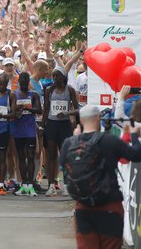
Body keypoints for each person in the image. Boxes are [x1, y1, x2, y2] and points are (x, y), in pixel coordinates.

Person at [60, 105, 141, 249]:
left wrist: (75, 137)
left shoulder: (69, 143)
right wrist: (134, 134)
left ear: (81, 121)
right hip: (110, 207)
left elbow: (64, 168)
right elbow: (136, 154)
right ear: (98, 118)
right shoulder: (110, 141)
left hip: (83, 208)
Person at [42, 65, 79, 196]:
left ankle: (66, 185)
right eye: (54, 76)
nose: (55, 78)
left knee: (65, 156)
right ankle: (51, 185)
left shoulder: (70, 90)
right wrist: (42, 125)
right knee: (51, 155)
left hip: (65, 125)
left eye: (58, 75)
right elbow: (46, 110)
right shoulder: (49, 90)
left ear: (64, 77)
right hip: (52, 124)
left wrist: (67, 113)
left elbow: (77, 108)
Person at [10, 72, 41, 196]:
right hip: (18, 129)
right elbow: (11, 112)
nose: (23, 84)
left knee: (31, 156)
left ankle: (30, 184)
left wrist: (27, 108)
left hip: (30, 129)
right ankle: (24, 184)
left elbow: (39, 110)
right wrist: (17, 111)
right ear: (18, 82)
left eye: (25, 82)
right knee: (21, 157)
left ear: (28, 82)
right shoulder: (14, 95)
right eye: (21, 82)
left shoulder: (34, 95)